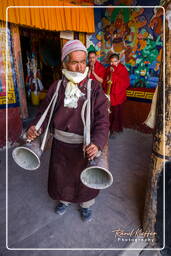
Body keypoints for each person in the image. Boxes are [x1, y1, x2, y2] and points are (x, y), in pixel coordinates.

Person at [26, 40, 109, 222]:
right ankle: (64, 201)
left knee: (83, 179)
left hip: (84, 145)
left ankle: (86, 205)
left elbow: (102, 120)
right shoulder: (57, 87)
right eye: (74, 62)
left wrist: (97, 142)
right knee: (61, 176)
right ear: (65, 63)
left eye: (83, 62)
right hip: (61, 144)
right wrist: (35, 127)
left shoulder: (94, 88)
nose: (80, 67)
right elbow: (44, 112)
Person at [103, 53, 130, 136]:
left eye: (114, 62)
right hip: (110, 95)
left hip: (118, 95)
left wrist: (113, 75)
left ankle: (115, 129)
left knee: (117, 113)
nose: (112, 64)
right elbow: (104, 81)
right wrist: (107, 79)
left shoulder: (122, 69)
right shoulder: (108, 69)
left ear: (118, 61)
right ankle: (109, 129)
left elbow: (125, 83)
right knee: (109, 113)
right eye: (111, 62)